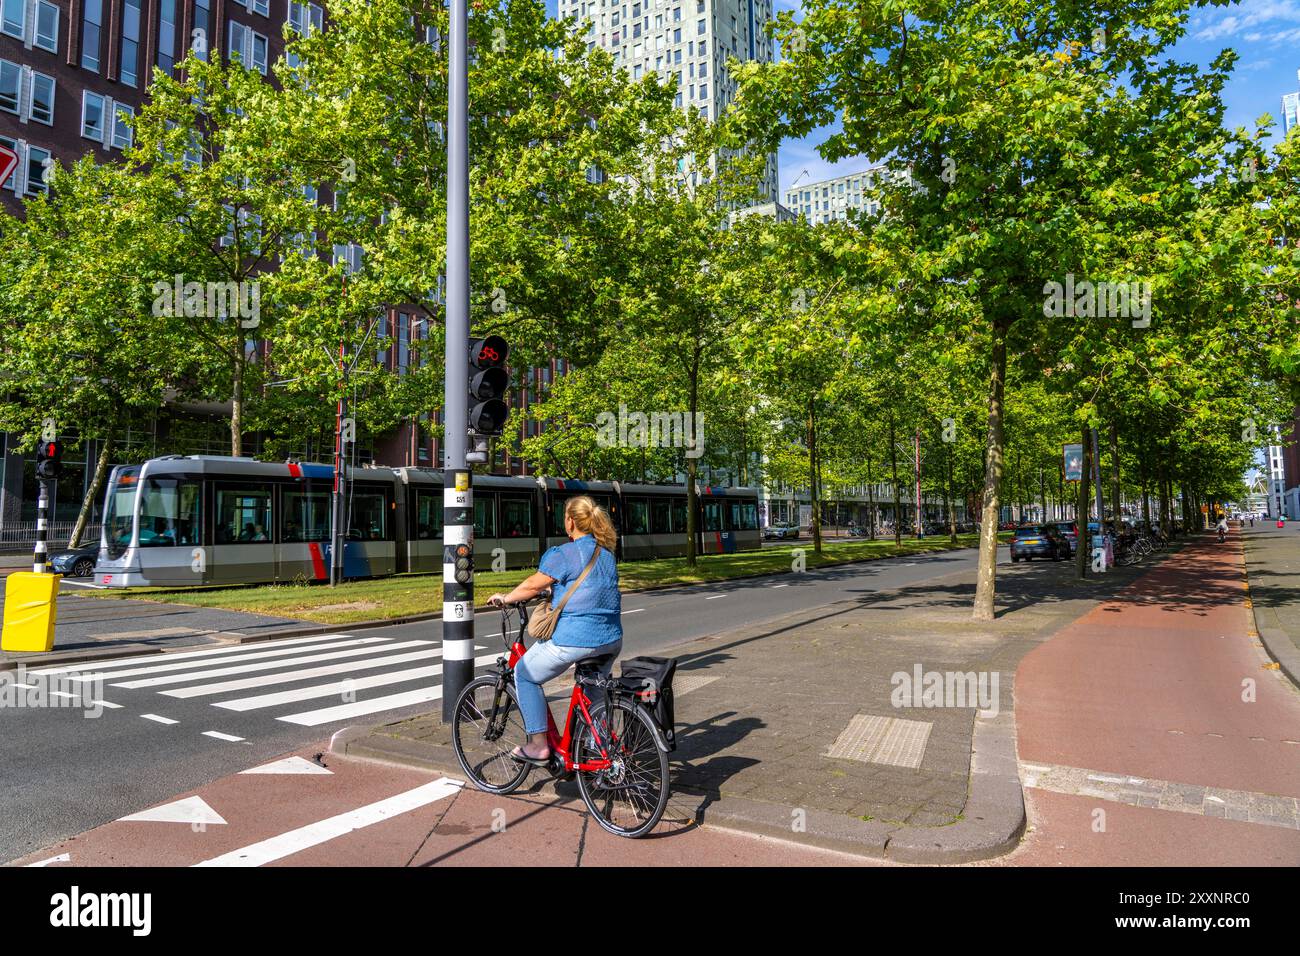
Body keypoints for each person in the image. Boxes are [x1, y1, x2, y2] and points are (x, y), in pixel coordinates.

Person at [487, 495, 622, 766]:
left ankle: (537, 746)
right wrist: (555, 590)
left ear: (570, 521)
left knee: (524, 673)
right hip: (610, 640)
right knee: (593, 694)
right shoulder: (606, 555)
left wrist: (507, 597)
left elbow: (531, 585)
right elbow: (589, 588)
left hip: (576, 639)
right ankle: (601, 755)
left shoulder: (564, 554)